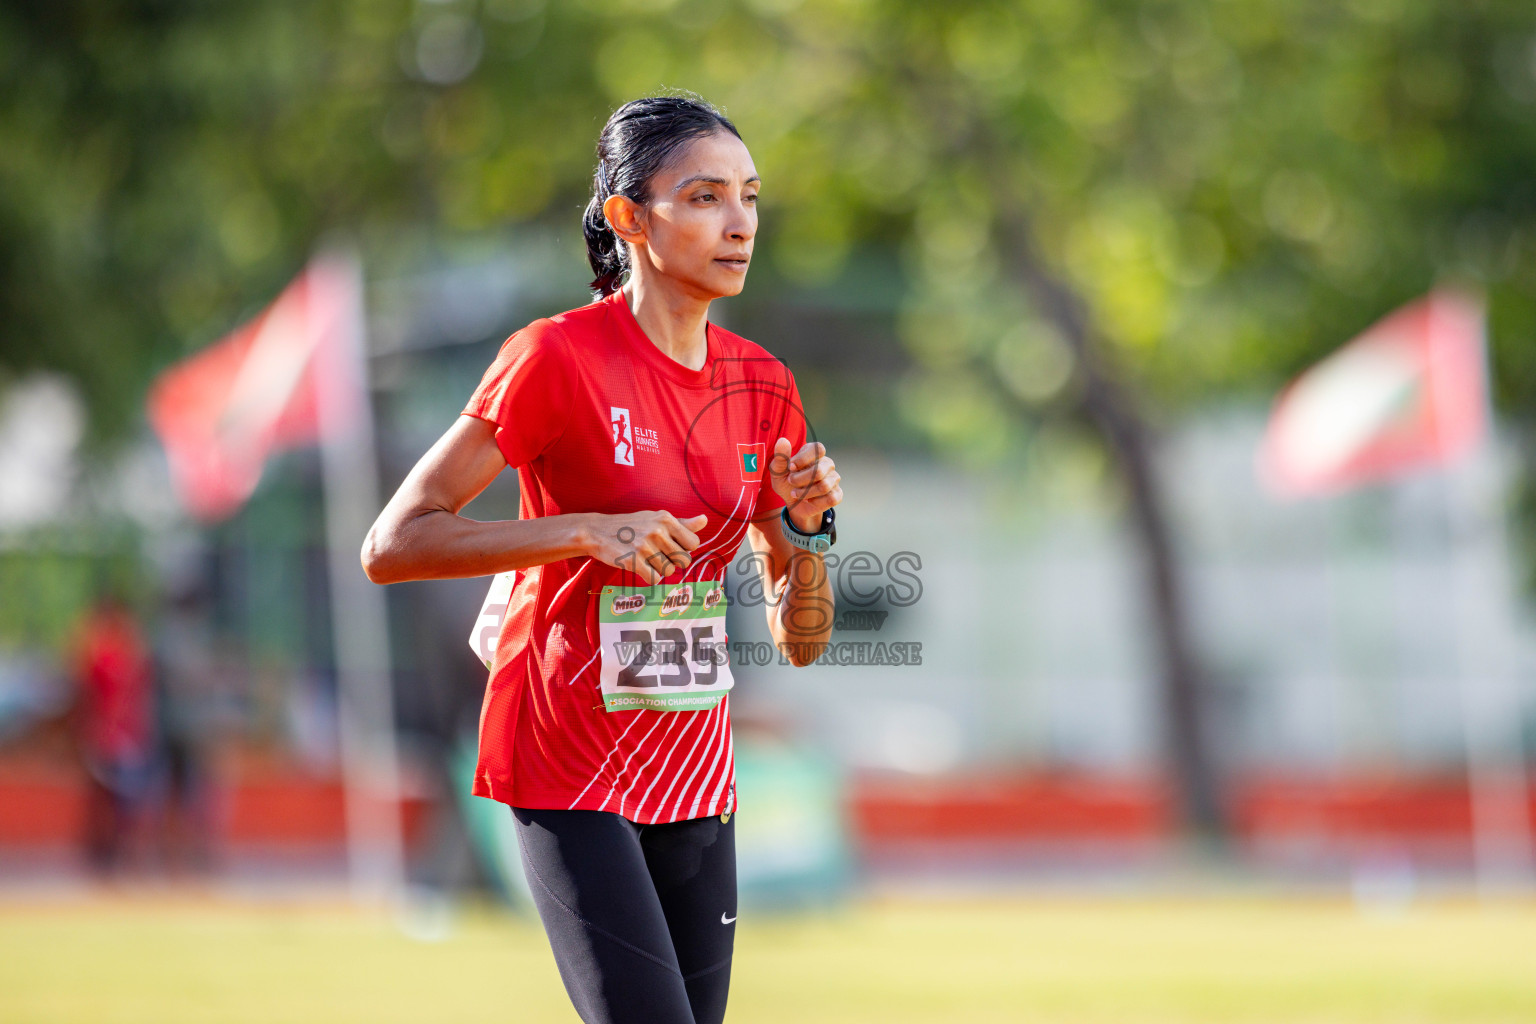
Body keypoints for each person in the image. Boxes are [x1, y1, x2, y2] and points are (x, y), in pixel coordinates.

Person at [363, 95, 844, 1024]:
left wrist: (812, 533)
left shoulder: (763, 383)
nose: (739, 222)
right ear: (629, 217)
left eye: (749, 197)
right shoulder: (555, 357)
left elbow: (802, 641)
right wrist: (583, 531)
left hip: (695, 769)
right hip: (565, 758)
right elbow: (394, 543)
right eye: (704, 197)